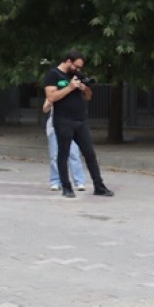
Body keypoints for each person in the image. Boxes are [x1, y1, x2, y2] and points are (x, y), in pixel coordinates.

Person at [42, 50, 114, 199]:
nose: (78, 69)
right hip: (63, 120)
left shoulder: (76, 75)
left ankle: (99, 186)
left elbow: (88, 96)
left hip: (80, 120)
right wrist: (70, 87)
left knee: (90, 154)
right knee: (63, 154)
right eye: (76, 66)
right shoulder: (53, 75)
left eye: (80, 67)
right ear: (68, 61)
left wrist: (84, 88)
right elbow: (51, 96)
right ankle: (66, 187)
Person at [42, 98, 86, 191]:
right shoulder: (53, 94)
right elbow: (45, 109)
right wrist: (49, 104)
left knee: (73, 154)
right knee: (54, 155)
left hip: (71, 125)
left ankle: (79, 181)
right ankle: (55, 181)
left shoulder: (74, 95)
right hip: (55, 127)